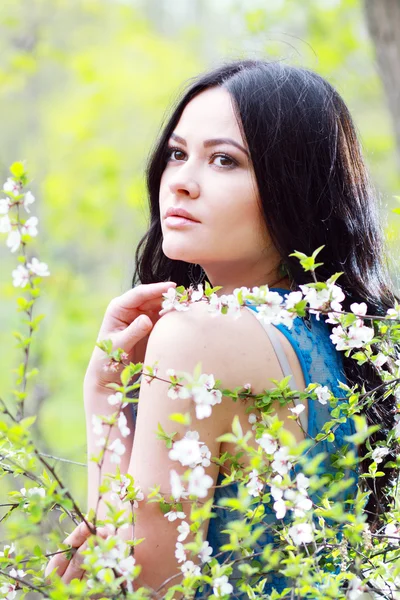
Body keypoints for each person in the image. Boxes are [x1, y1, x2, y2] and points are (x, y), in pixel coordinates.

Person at [45, 59, 398, 597]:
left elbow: (135, 587)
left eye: (225, 161)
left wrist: (106, 398)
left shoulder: (198, 336)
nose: (182, 183)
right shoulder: (345, 338)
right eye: (177, 154)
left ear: (293, 186)